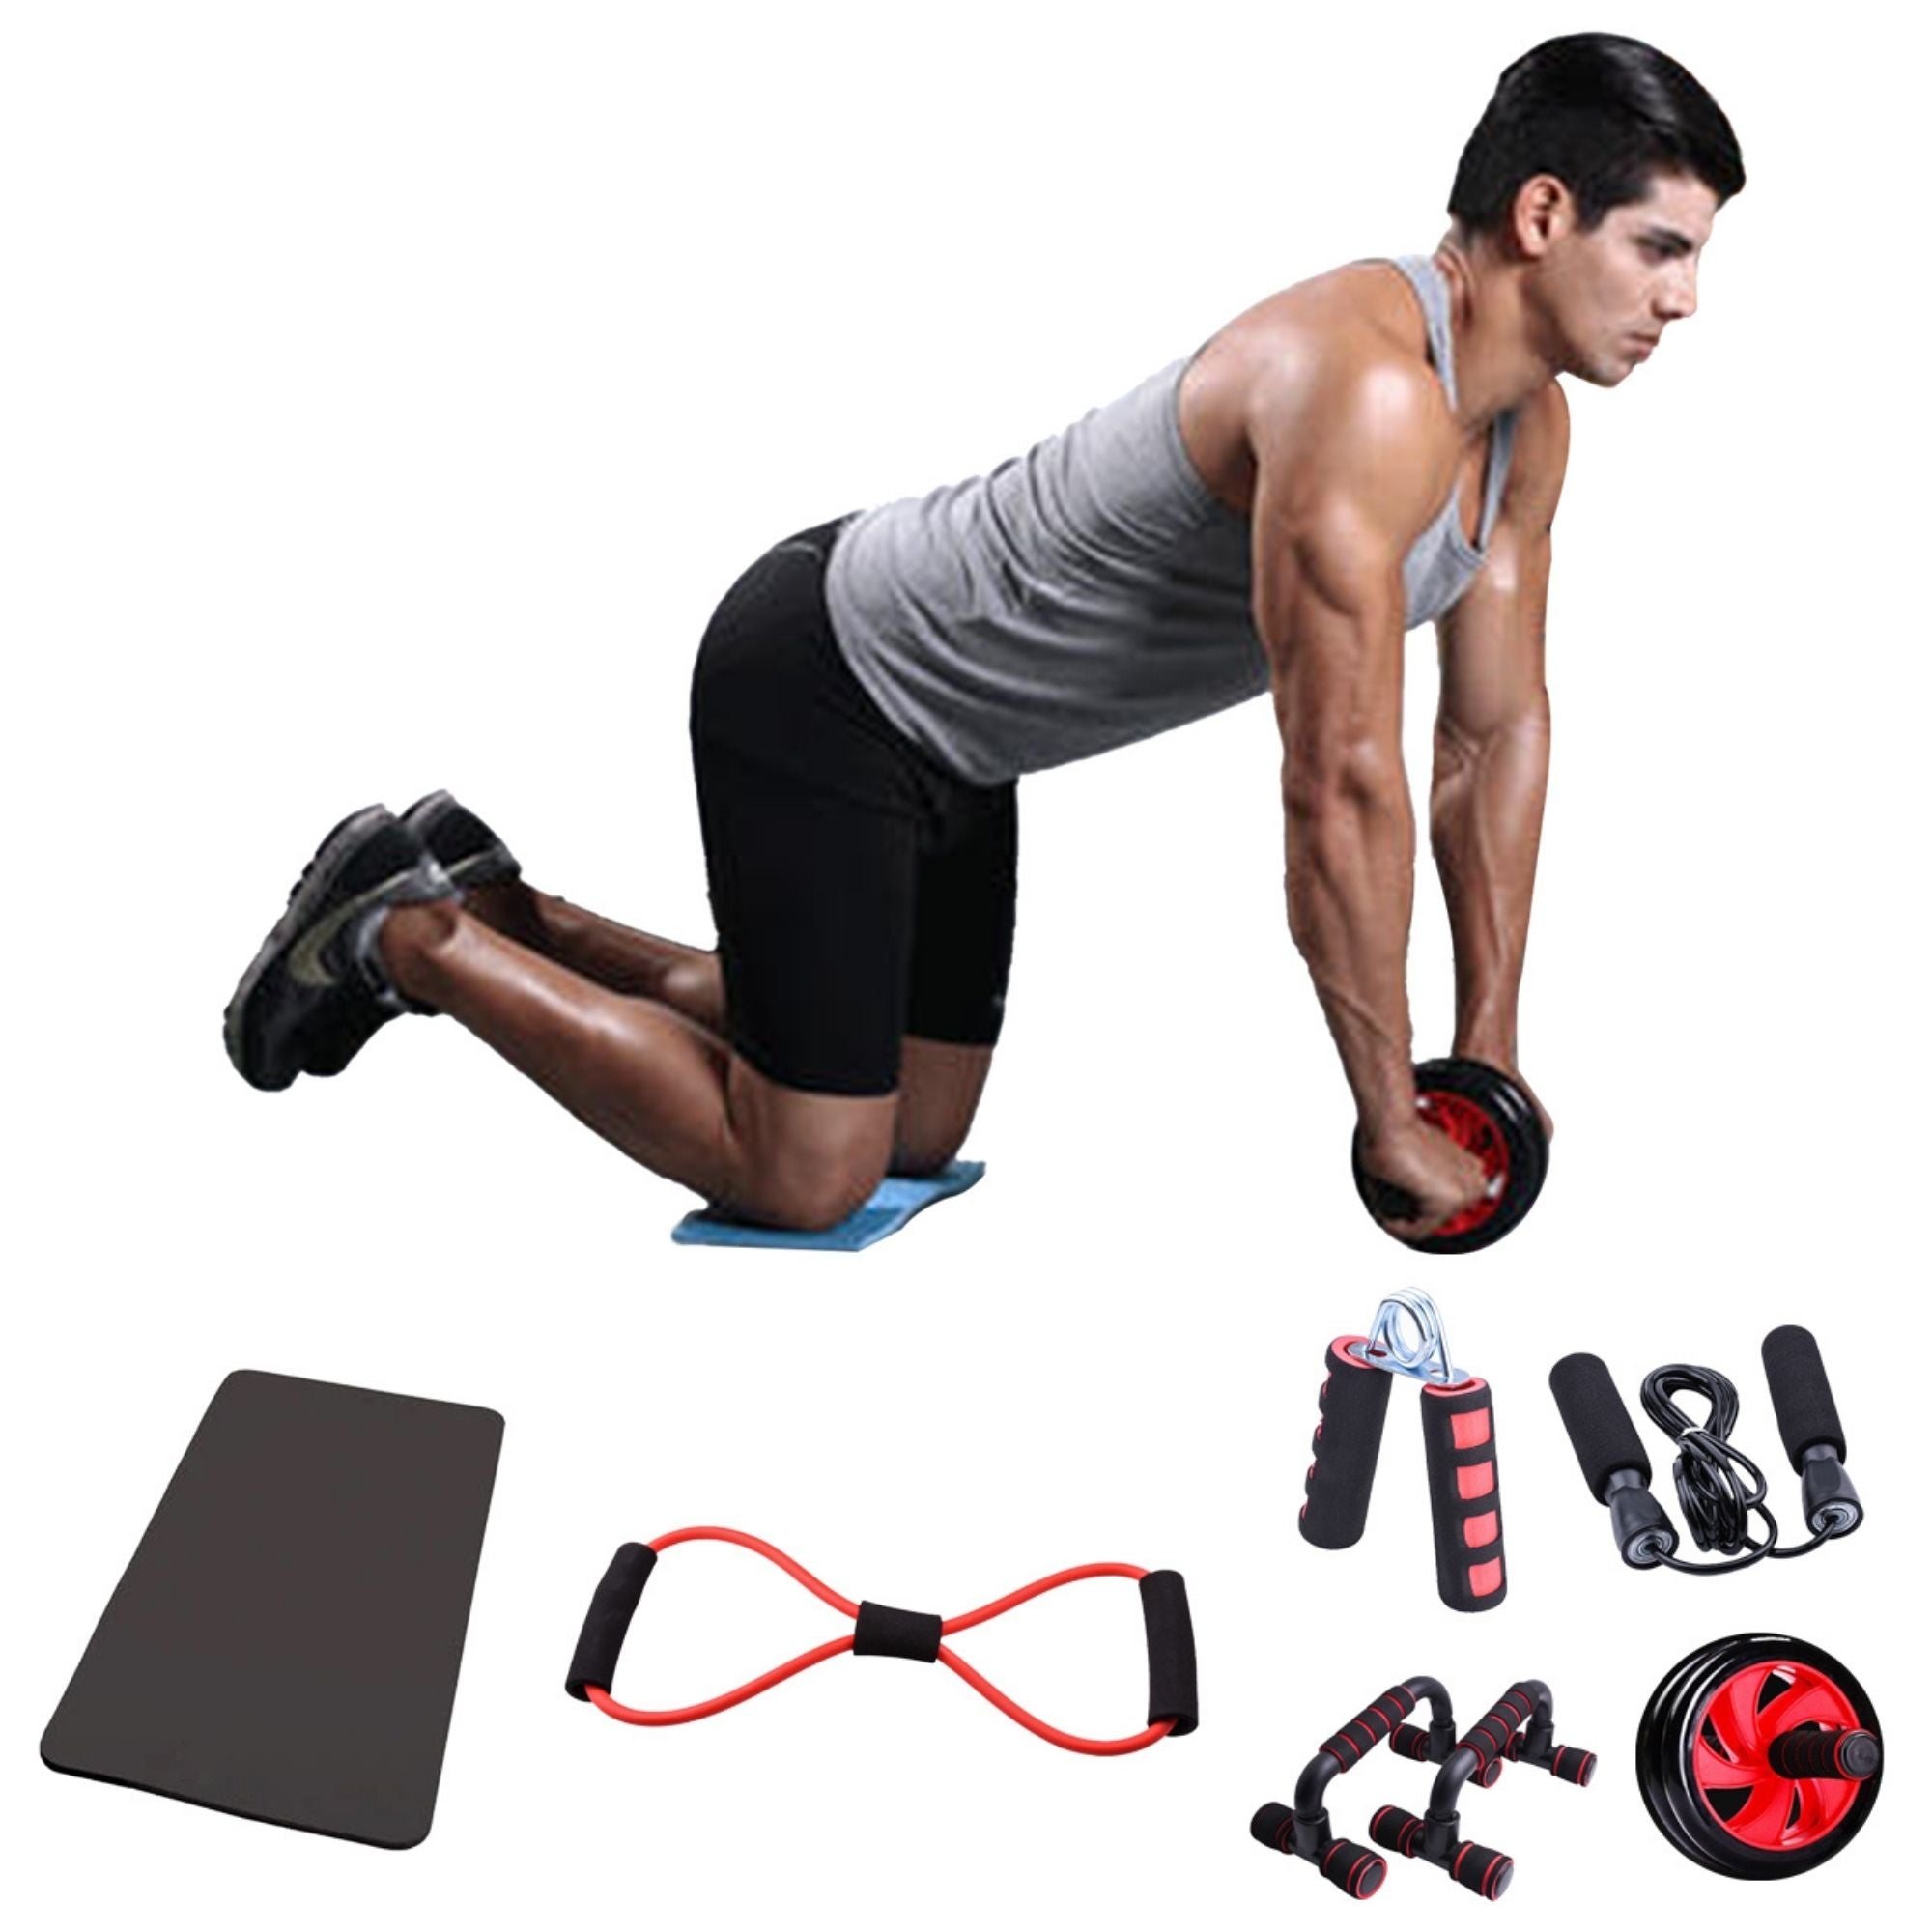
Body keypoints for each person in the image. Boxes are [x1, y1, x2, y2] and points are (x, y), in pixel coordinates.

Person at [225, 33, 1744, 1235]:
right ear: (1545, 216)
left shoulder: (1521, 433)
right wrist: (1381, 1110)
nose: (1685, 300)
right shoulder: (1365, 391)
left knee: (911, 1129)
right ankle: (404, 935)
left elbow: (1488, 736)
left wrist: (1477, 1058)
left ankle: (507, 907)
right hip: (834, 679)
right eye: (1662, 249)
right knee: (810, 1168)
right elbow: (1337, 784)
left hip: (970, 742)